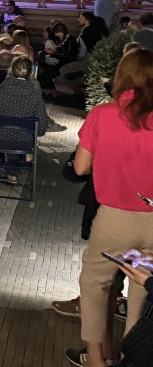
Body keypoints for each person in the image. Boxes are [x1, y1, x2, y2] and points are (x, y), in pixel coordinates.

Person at [68, 48, 153, 367]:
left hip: (113, 219)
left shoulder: (103, 115)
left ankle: (95, 358)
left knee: (94, 284)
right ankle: (132, 357)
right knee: (143, 291)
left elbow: (80, 167)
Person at [0, 55, 48, 184]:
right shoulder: (35, 95)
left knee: (7, 132)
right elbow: (42, 126)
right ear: (30, 72)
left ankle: (11, 173)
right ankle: (17, 168)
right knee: (19, 134)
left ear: (11, 69)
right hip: (24, 141)